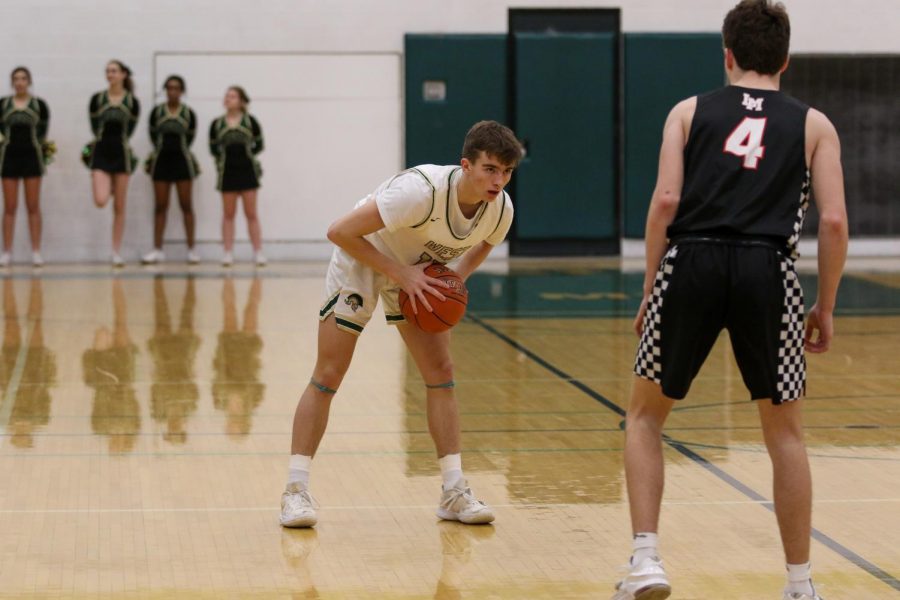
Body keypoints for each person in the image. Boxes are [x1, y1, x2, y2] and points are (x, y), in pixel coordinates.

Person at [614, 2, 848, 600]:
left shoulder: (688, 112)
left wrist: (650, 288)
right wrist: (823, 305)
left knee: (644, 417)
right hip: (768, 270)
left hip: (689, 261)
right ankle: (800, 584)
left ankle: (646, 560)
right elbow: (835, 222)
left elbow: (666, 201)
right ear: (786, 59)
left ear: (727, 53)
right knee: (786, 435)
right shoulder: (815, 124)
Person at [279, 120, 521, 529]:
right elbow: (339, 231)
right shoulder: (419, 193)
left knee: (441, 374)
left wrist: (454, 279)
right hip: (365, 257)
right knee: (328, 375)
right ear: (466, 165)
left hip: (418, 271)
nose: (499, 180)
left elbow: (484, 245)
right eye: (490, 169)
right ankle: (296, 491)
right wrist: (401, 274)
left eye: (507, 172)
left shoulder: (501, 210)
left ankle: (453, 490)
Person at [85, 60, 140, 267]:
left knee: (119, 206)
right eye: (107, 71)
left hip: (121, 152)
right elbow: (94, 126)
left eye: (114, 71)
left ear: (124, 74)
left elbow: (131, 128)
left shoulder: (132, 102)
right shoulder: (97, 99)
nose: (110, 74)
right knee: (100, 200)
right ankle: (108, 186)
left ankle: (115, 251)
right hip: (101, 151)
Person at [142, 75, 200, 265]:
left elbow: (190, 137)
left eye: (176, 88)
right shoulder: (157, 113)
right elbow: (152, 135)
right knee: (160, 206)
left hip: (182, 161)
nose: (172, 91)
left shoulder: (189, 114)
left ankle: (192, 249)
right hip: (161, 161)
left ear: (182, 91)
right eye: (169, 88)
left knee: (186, 206)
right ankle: (157, 249)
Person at [208, 86, 265, 266]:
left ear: (241, 101)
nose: (228, 99)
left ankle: (258, 252)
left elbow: (260, 144)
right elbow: (213, 148)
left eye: (233, 96)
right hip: (227, 172)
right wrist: (222, 160)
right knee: (228, 214)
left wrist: (248, 155)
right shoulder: (217, 124)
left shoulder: (250, 122)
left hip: (247, 170)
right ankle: (227, 252)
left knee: (251, 213)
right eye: (227, 96)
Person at [0, 67, 50, 267]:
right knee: (10, 207)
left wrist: (37, 148)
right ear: (12, 82)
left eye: (23, 78)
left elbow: (43, 131)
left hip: (31, 157)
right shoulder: (3, 104)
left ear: (29, 81)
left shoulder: (39, 105)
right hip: (9, 157)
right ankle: (7, 252)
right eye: (16, 79)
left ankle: (36, 251)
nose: (20, 82)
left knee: (33, 206)